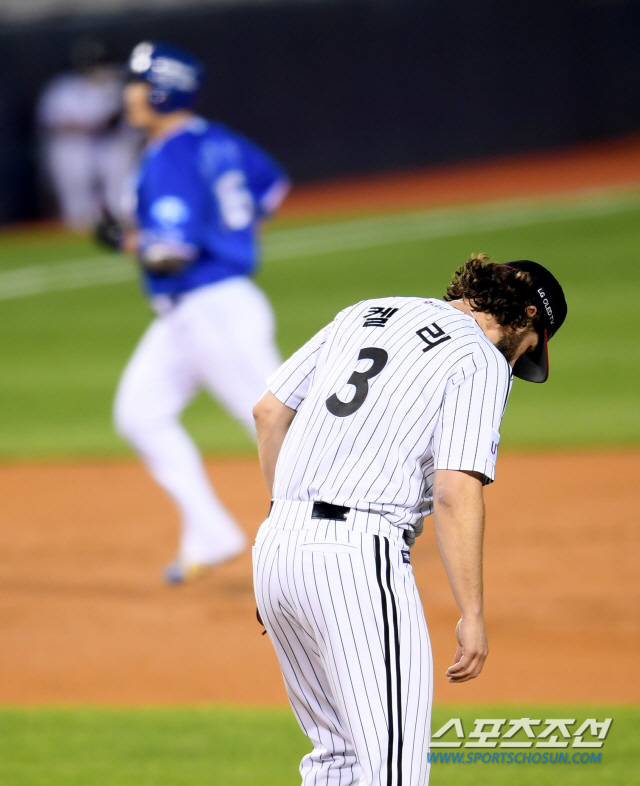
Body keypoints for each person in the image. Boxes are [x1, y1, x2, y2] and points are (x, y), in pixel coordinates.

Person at [252, 255, 567, 786]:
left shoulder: (364, 312)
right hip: (355, 561)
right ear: (529, 317)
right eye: (530, 350)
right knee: (395, 772)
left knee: (336, 761)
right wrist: (472, 613)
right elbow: (454, 490)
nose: (518, 363)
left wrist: (287, 532)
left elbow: (268, 412)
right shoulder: (481, 358)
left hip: (275, 548)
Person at [96, 41, 289, 583]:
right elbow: (271, 185)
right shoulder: (214, 138)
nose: (128, 94)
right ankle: (210, 530)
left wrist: (122, 240)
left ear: (161, 91)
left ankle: (349, 529)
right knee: (140, 414)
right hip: (192, 312)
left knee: (279, 425)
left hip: (213, 307)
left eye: (136, 84)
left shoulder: (170, 154)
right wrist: (230, 230)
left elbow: (169, 252)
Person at [37, 37, 141, 228]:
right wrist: (89, 126)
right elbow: (51, 123)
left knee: (119, 178)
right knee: (75, 188)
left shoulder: (119, 82)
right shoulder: (64, 87)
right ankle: (79, 225)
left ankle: (121, 222)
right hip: (76, 146)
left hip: (113, 144)